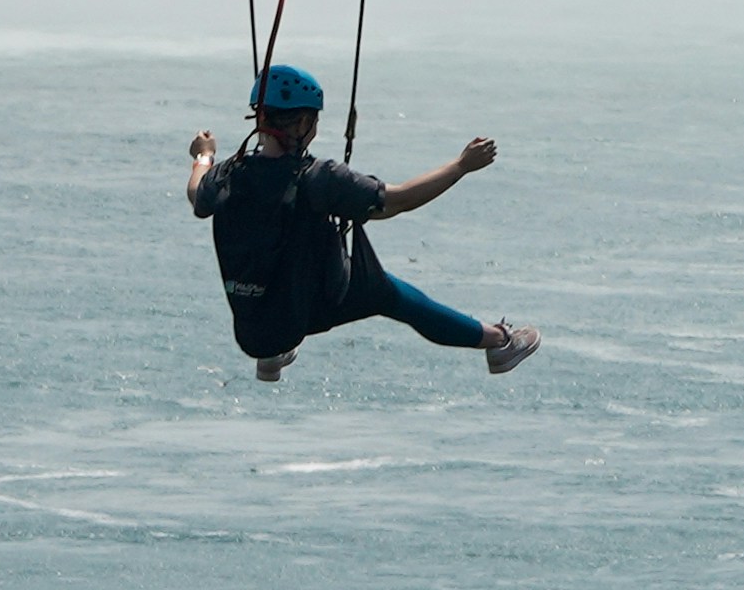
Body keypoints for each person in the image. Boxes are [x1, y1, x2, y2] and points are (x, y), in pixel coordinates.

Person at [186, 65, 535, 382]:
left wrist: (204, 155)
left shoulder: (228, 173)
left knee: (280, 255)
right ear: (305, 123)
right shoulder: (318, 177)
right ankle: (499, 343)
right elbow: (397, 201)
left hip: (254, 329)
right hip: (308, 307)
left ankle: (271, 356)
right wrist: (461, 166)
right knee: (389, 293)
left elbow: (195, 193)